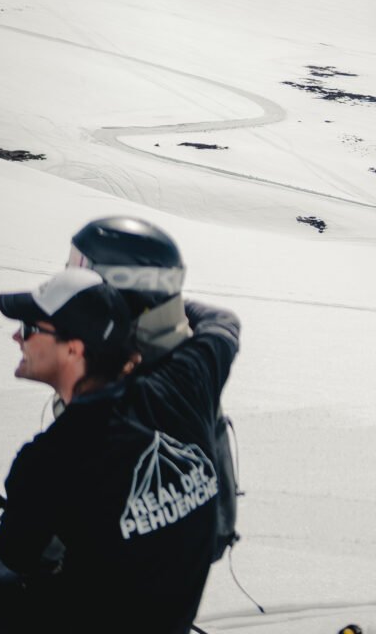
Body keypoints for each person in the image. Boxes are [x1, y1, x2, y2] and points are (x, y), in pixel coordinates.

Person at [0, 267, 235, 634]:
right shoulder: (183, 383)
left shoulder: (53, 459)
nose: (18, 336)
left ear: (73, 349)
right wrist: (134, 308)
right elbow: (223, 324)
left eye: (31, 328)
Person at [67, 216, 242, 560]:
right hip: (193, 546)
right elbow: (224, 322)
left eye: (81, 270)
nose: (70, 284)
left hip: (126, 568)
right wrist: (167, 303)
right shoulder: (194, 357)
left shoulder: (134, 386)